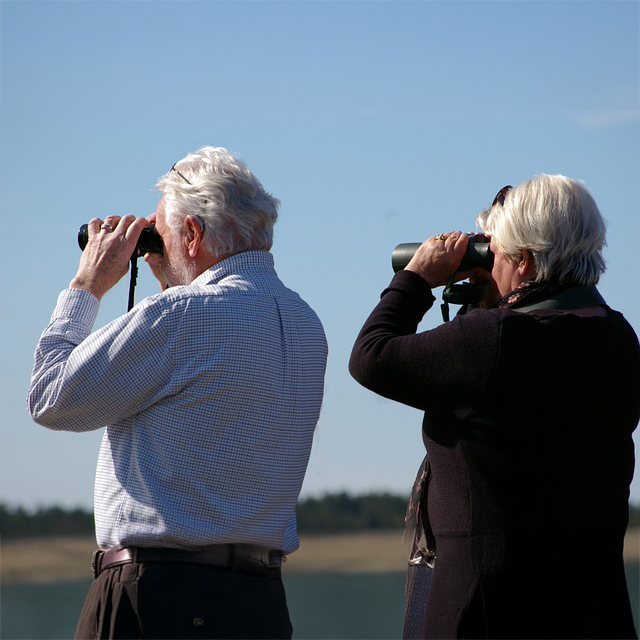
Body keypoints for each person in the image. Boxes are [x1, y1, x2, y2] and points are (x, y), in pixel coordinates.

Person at [27, 146, 328, 639]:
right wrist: (176, 278)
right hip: (259, 601)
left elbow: (50, 396)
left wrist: (87, 284)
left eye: (161, 236)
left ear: (191, 234)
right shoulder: (304, 323)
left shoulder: (179, 318)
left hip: (156, 595)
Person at [349, 174, 639, 639]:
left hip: (487, 608)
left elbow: (371, 358)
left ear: (523, 260)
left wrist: (416, 278)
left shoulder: (494, 342)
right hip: (593, 608)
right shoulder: (619, 339)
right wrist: (490, 297)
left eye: (496, 251)